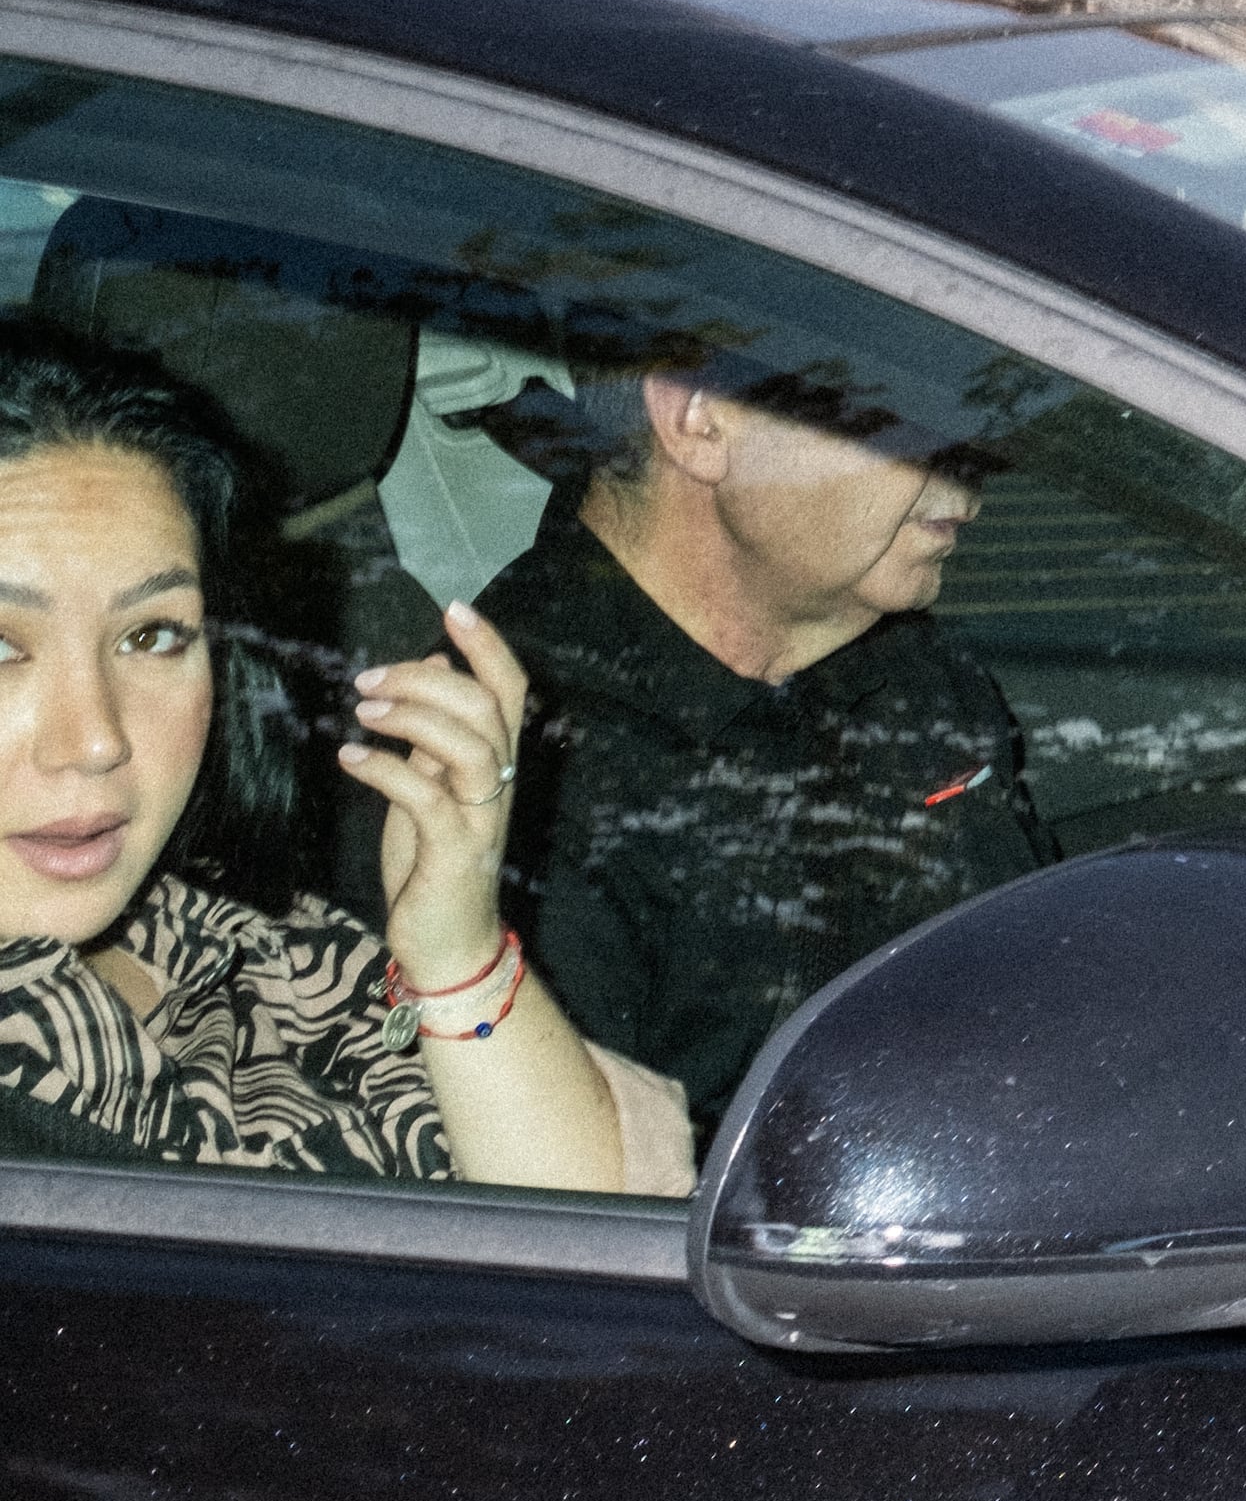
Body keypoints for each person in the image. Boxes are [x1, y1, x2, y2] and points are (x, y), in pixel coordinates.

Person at [0, 328, 632, 1191]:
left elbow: (604, 1263)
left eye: (152, 635)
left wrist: (454, 951)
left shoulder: (248, 944)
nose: (97, 738)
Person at [483, 351, 1044, 1124]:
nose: (980, 462)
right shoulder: (508, 774)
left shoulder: (911, 665)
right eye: (914, 405)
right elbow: (574, 1206)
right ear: (697, 418)